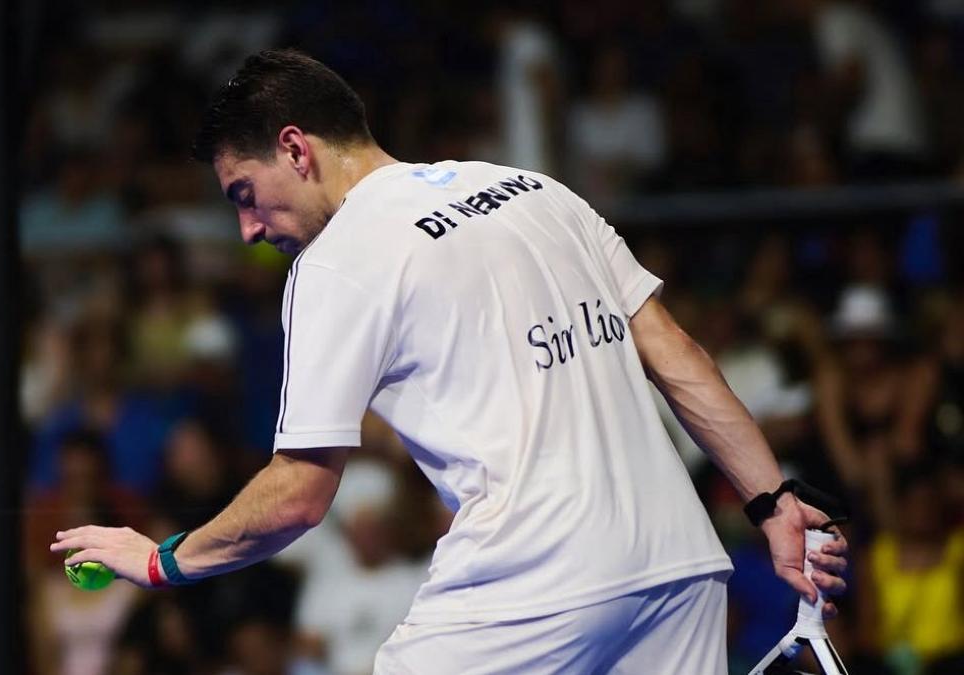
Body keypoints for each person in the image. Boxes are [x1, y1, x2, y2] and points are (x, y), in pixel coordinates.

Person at [51, 49, 849, 673]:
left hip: (533, 577)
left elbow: (298, 493)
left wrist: (162, 559)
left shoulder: (337, 262)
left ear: (294, 148)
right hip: (679, 567)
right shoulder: (535, 190)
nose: (249, 231)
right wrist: (772, 499)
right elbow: (677, 355)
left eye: (243, 194)